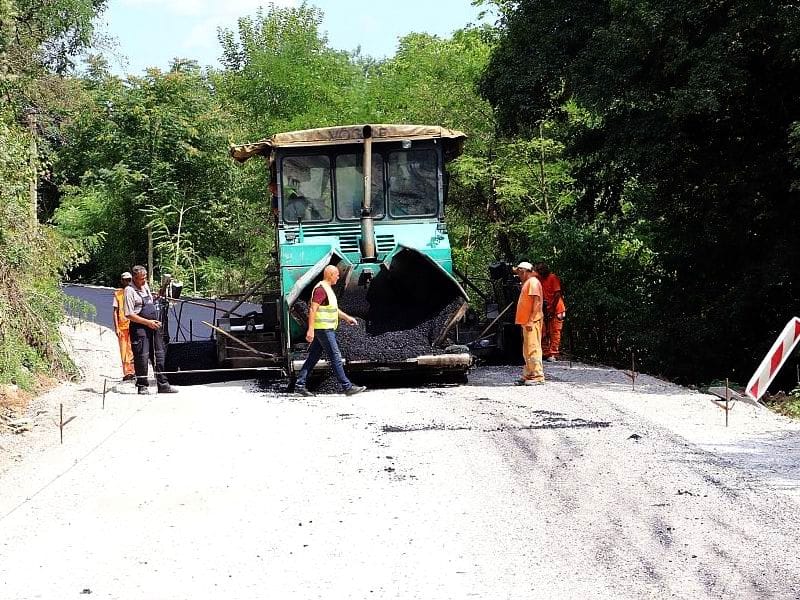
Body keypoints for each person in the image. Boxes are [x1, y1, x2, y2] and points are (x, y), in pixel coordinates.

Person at [294, 265, 366, 397]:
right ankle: (347, 387)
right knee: (335, 356)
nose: (338, 277)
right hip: (324, 329)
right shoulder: (321, 289)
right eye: (337, 275)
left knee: (313, 357)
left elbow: (333, 309)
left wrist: (347, 318)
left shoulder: (327, 289)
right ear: (330, 275)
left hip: (326, 328)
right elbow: (312, 309)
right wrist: (310, 330)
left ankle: (299, 385)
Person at [124, 265, 177, 395]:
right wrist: (147, 323)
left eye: (145, 278)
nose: (144, 281)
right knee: (142, 356)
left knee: (159, 354)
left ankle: (163, 385)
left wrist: (160, 293)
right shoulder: (129, 291)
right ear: (134, 278)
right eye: (141, 279)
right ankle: (142, 386)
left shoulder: (145, 286)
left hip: (153, 326)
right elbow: (129, 314)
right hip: (139, 328)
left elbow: (151, 301)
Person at [514, 261, 545, 385]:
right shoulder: (529, 282)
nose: (518, 275)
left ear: (524, 271)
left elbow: (537, 303)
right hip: (527, 321)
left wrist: (531, 320)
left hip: (532, 321)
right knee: (527, 349)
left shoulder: (533, 282)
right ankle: (529, 374)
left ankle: (537, 376)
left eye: (519, 272)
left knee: (533, 348)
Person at [534, 262, 566, 362]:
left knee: (555, 331)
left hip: (557, 309)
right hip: (545, 309)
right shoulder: (538, 279)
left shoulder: (552, 277)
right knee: (542, 331)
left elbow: (557, 294)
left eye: (540, 271)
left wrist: (552, 308)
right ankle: (545, 353)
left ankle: (553, 353)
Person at [112, 271, 136, 381]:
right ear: (121, 281)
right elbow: (115, 312)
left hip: (133, 325)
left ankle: (135, 371)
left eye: (129, 280)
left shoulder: (134, 292)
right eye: (125, 280)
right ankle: (127, 373)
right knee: (124, 350)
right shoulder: (118, 294)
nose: (127, 282)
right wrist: (116, 327)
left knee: (133, 350)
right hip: (122, 327)